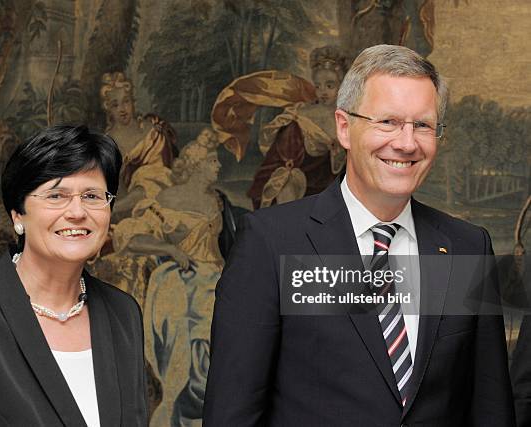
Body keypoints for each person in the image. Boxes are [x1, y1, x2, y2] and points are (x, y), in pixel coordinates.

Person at [203, 45, 515, 426]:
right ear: (344, 127)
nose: (406, 142)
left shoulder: (468, 248)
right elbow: (232, 414)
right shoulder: (271, 244)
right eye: (387, 122)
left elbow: (490, 408)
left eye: (423, 125)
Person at [0, 125, 148, 426]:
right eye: (56, 195)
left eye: (92, 196)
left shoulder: (123, 313)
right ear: (18, 214)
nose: (77, 212)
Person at [113, 128, 223, 426]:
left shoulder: (217, 199)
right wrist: (170, 249)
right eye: (213, 161)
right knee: (192, 334)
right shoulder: (169, 200)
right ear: (198, 165)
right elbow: (130, 236)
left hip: (217, 279)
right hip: (187, 281)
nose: (219, 166)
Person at [247, 45, 347, 209]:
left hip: (329, 186)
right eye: (318, 86)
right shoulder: (301, 116)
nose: (323, 91)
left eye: (329, 85)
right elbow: (281, 158)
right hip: (301, 183)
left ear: (341, 86)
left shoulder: (347, 118)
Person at [100, 72, 178, 221]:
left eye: (126, 102)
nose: (122, 109)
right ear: (108, 109)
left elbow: (162, 174)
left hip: (158, 197)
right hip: (125, 203)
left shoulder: (152, 132)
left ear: (133, 103)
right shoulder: (107, 143)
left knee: (148, 179)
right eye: (115, 105)